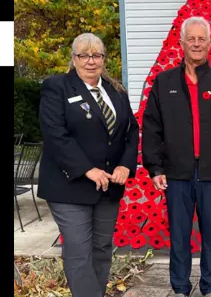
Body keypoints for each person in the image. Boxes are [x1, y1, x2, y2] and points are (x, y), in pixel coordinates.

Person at [142, 16, 211, 297]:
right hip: (176, 173)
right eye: (192, 38)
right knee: (179, 236)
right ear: (182, 42)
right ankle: (180, 288)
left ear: (209, 44)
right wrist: (154, 167)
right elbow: (151, 126)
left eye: (202, 39)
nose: (196, 44)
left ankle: (209, 287)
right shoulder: (164, 83)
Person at [37, 32, 139, 297]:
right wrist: (87, 169)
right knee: (79, 252)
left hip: (108, 186)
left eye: (97, 55)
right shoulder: (57, 87)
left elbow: (131, 131)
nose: (91, 61)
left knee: (102, 249)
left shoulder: (116, 90)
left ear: (104, 59)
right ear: (74, 58)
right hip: (69, 186)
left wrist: (125, 166)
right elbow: (55, 133)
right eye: (84, 54)